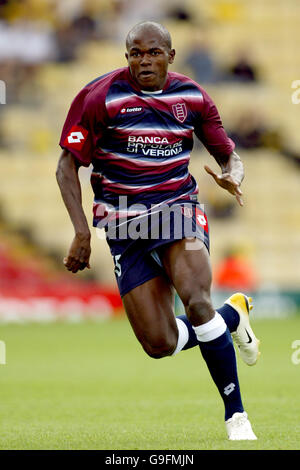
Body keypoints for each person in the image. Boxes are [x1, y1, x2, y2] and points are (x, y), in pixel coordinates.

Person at [56, 21, 260, 441]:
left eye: (152, 52)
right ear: (126, 56)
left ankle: (236, 416)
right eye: (134, 53)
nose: (143, 60)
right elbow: (66, 166)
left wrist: (231, 175)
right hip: (122, 220)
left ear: (171, 54)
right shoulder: (99, 98)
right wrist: (80, 231)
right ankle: (233, 315)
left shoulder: (193, 97)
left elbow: (229, 156)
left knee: (197, 302)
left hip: (176, 210)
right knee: (159, 343)